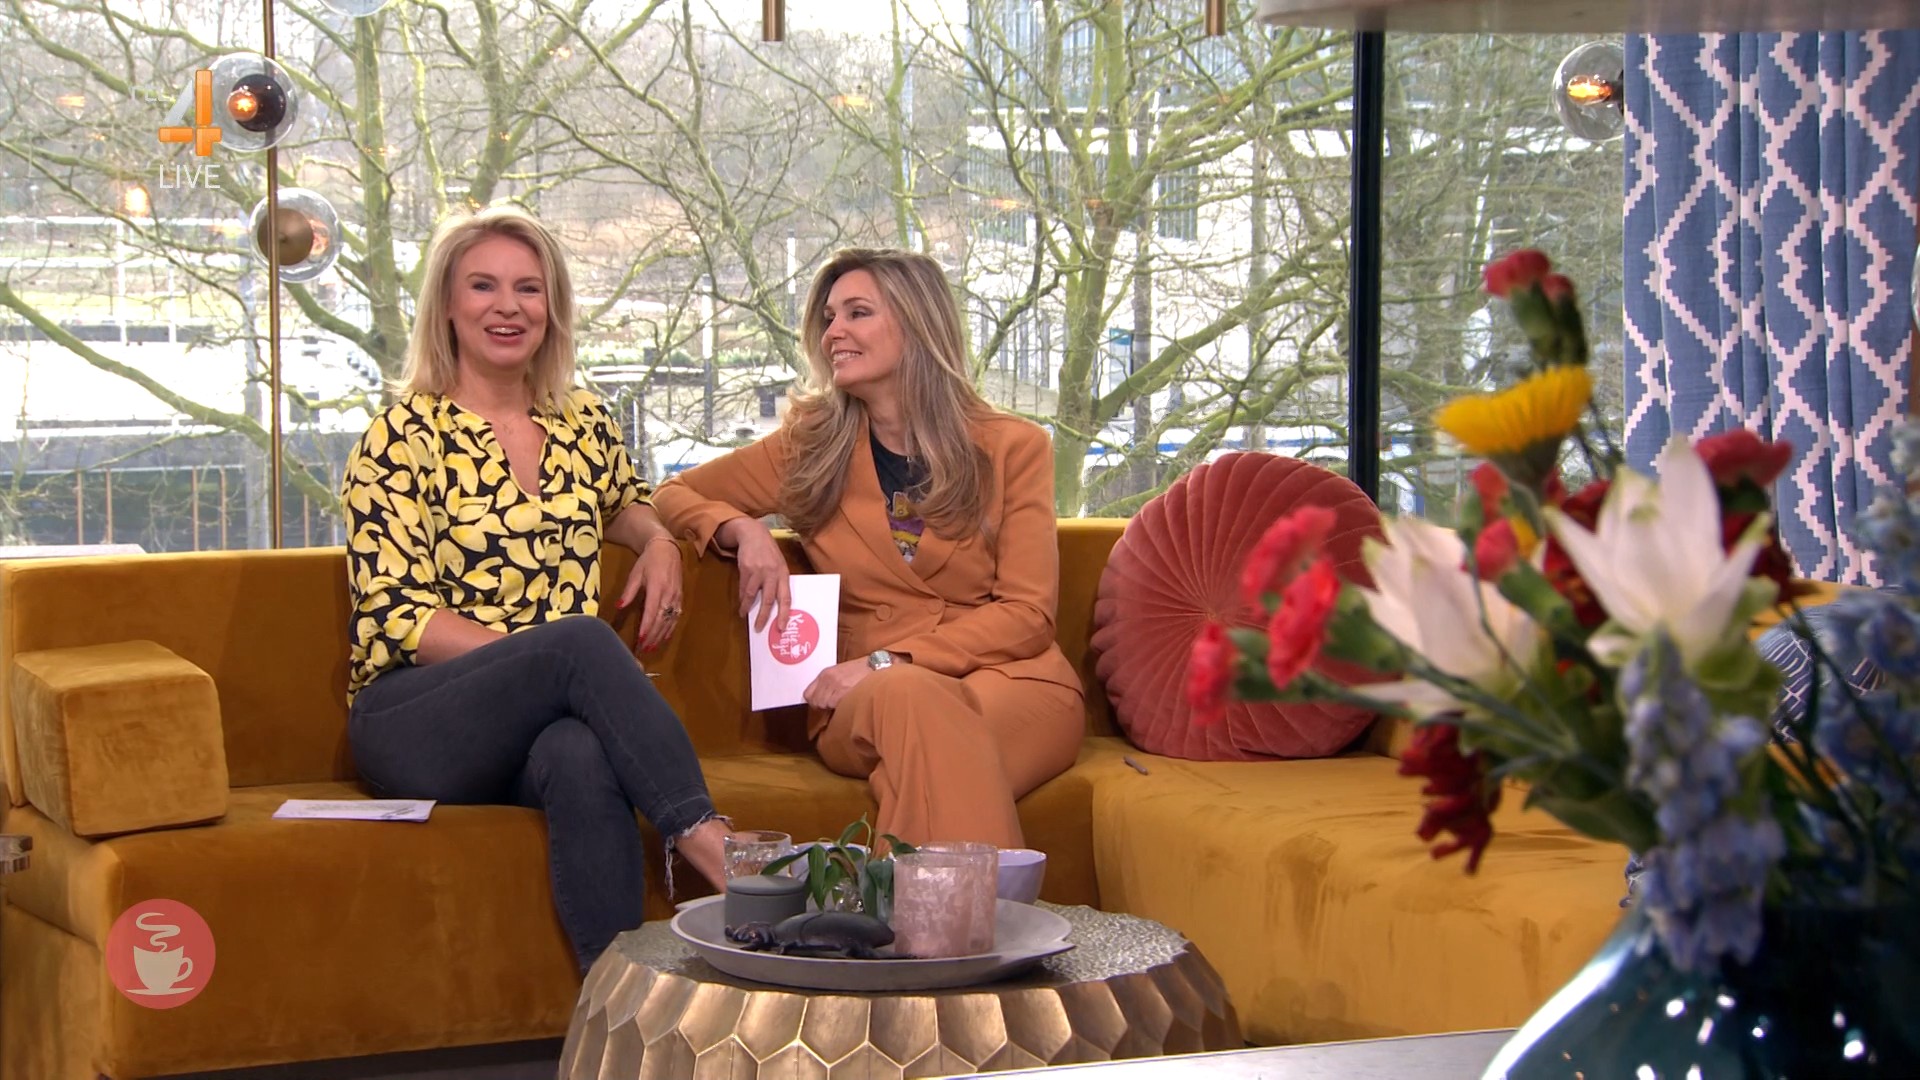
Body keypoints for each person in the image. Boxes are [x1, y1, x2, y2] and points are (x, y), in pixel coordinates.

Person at [340, 204, 731, 974]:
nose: (508, 306)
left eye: (528, 288)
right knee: (576, 645)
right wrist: (544, 665)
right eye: (483, 286)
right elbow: (400, 618)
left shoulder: (582, 421)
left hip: (540, 723)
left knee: (580, 751)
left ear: (552, 308)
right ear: (447, 305)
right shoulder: (399, 437)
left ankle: (616, 1006)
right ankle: (712, 845)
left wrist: (657, 540)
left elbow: (625, 501)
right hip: (415, 717)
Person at [652, 248, 1083, 849]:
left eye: (858, 313)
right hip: (861, 701)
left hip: (1012, 683)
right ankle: (989, 911)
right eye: (829, 318)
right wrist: (742, 529)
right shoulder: (807, 448)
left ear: (918, 322)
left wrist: (891, 660)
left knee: (919, 762)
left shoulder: (1014, 447)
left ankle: (902, 909)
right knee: (912, 706)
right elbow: (670, 494)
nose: (834, 333)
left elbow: (1028, 615)